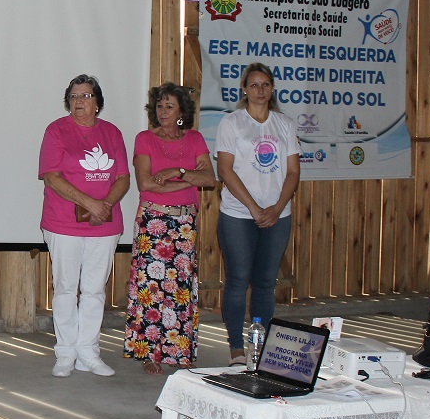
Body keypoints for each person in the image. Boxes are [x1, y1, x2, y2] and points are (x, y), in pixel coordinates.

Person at [37, 74, 130, 378]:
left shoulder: (112, 133)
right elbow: (52, 177)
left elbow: (122, 178)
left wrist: (104, 207)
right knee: (65, 288)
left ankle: (88, 353)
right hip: (63, 223)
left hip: (104, 224)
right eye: (74, 96)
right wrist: (91, 203)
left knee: (94, 291)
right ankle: (65, 353)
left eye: (86, 96)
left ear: (98, 103)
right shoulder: (56, 131)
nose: (79, 102)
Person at [123, 83, 215, 375]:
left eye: (169, 106)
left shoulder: (196, 139)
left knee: (180, 289)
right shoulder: (145, 139)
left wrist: (177, 172)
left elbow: (210, 179)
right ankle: (151, 352)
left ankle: (180, 351)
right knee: (152, 287)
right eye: (159, 106)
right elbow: (146, 184)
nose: (163, 111)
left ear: (181, 112)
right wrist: (191, 179)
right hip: (153, 221)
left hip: (185, 223)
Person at [215, 63, 301, 365]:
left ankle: (260, 346)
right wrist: (254, 208)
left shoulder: (285, 124)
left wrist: (276, 208)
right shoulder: (232, 123)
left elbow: (293, 172)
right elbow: (224, 170)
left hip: (277, 215)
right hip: (239, 214)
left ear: (272, 89)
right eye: (254, 85)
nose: (260, 90)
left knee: (265, 282)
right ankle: (237, 348)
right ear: (244, 89)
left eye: (265, 85)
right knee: (238, 280)